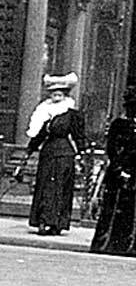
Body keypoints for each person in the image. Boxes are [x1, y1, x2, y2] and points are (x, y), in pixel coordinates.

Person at [90, 83, 136, 257]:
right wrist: (120, 171)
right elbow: (113, 151)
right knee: (122, 212)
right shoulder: (122, 125)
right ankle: (115, 245)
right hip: (125, 177)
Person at [25, 73, 87, 236]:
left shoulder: (70, 113)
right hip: (48, 153)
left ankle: (56, 223)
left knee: (58, 188)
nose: (56, 97)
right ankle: (43, 220)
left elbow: (78, 134)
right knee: (45, 187)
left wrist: (81, 152)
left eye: (60, 94)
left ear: (65, 95)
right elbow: (39, 135)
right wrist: (30, 150)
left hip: (64, 154)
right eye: (54, 94)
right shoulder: (45, 111)